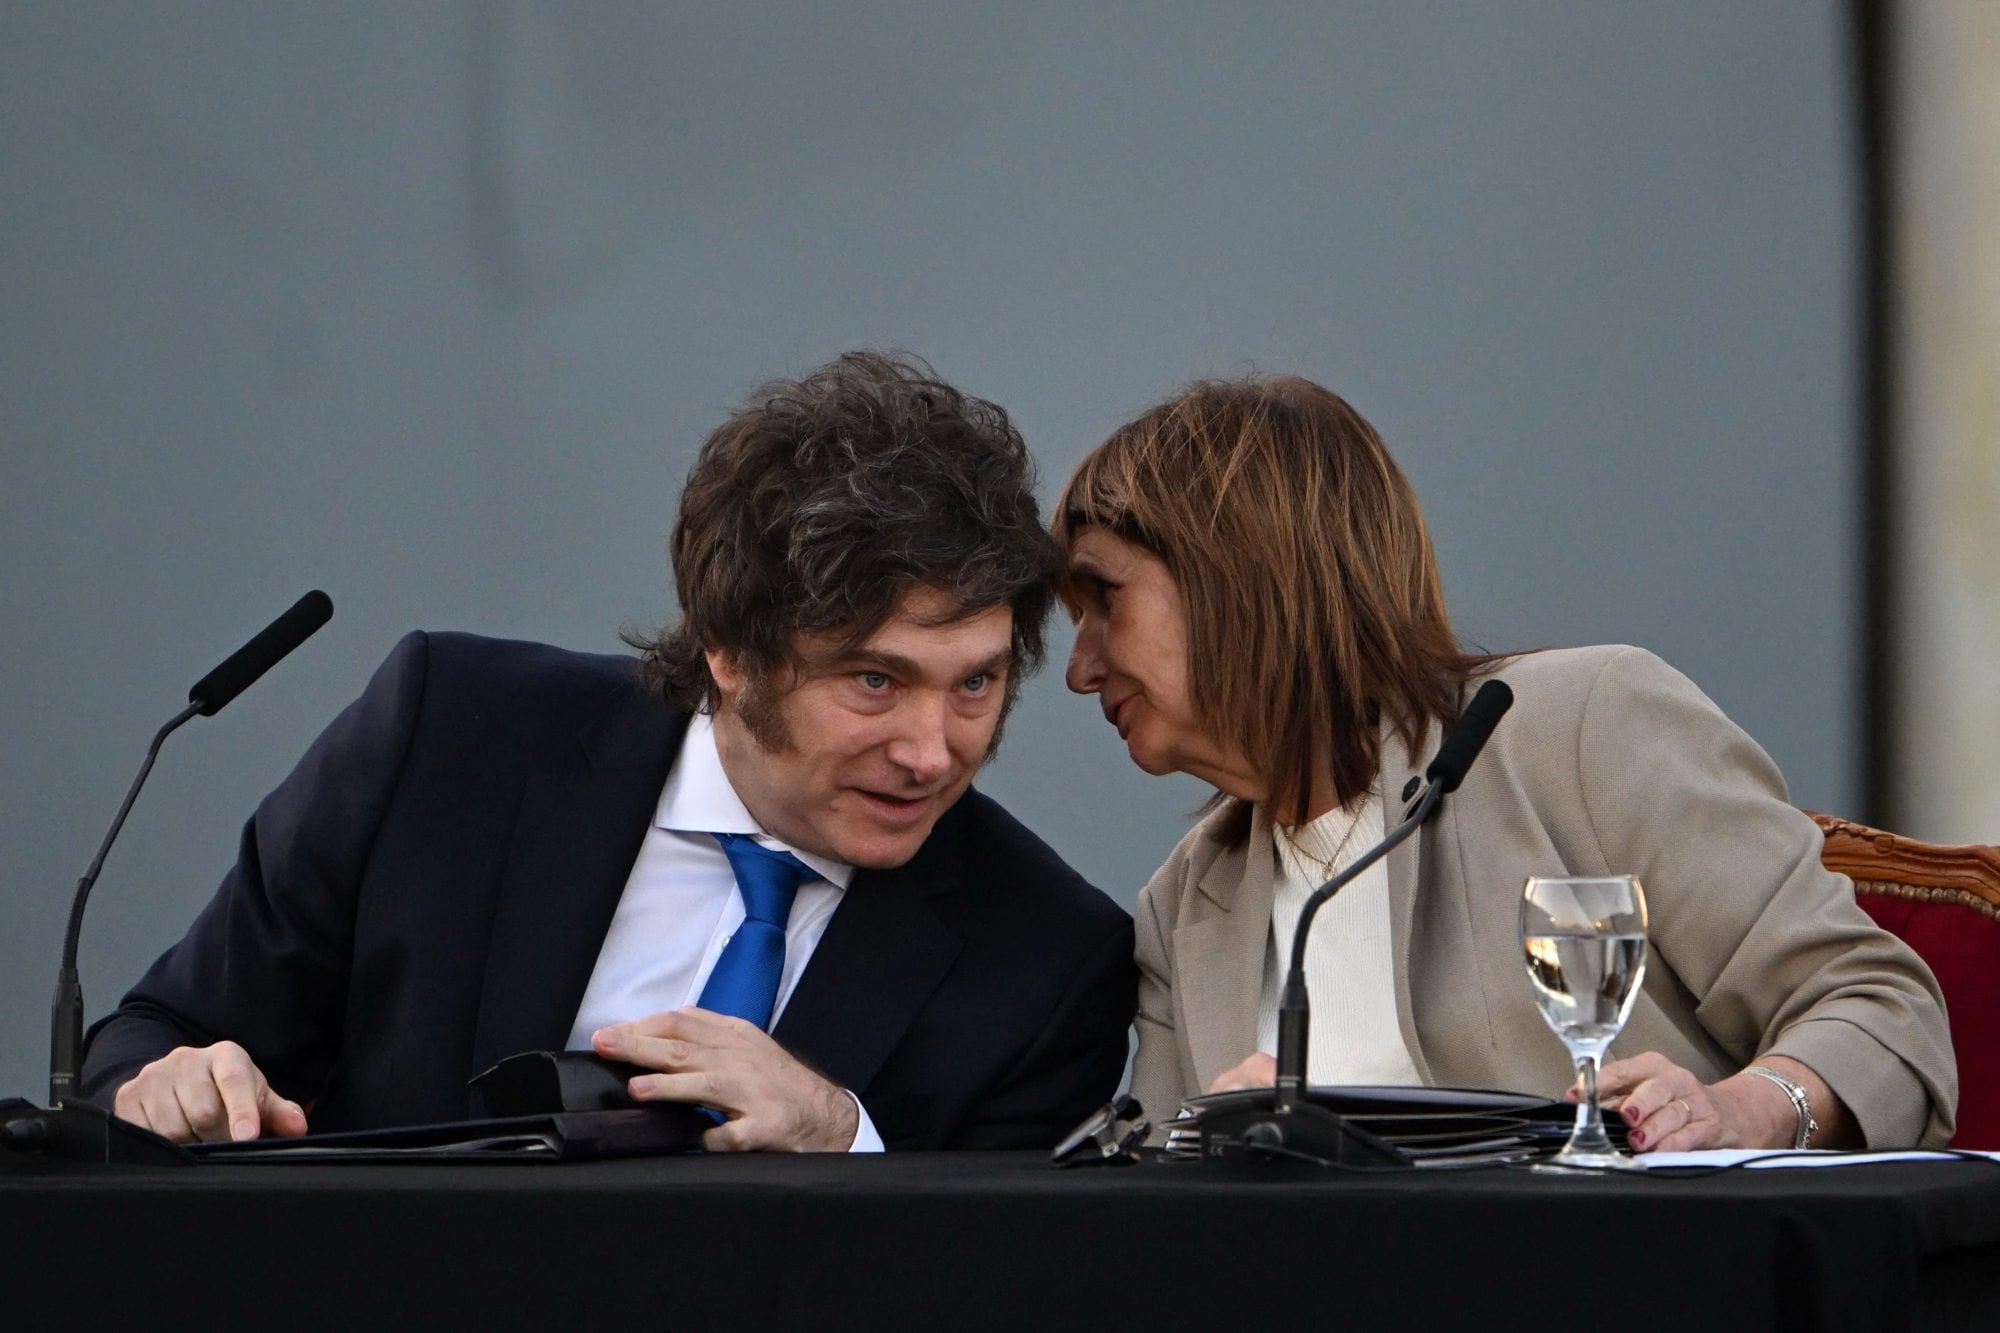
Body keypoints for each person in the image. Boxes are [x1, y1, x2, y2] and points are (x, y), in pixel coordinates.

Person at [81, 351, 1135, 1152]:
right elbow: (153, 1032)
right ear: (729, 649)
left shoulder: (1045, 959)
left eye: (976, 684)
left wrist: (842, 1134)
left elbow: (994, 1277)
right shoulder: (449, 739)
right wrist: (163, 1084)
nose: (930, 752)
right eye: (874, 680)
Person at [1053, 374, 1955, 1152]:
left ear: (1234, 575)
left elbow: (1883, 1008)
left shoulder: (1580, 727)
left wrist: (1743, 1109)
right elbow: (1167, 1221)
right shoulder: (1184, 907)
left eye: (1104, 599)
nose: (1080, 666)